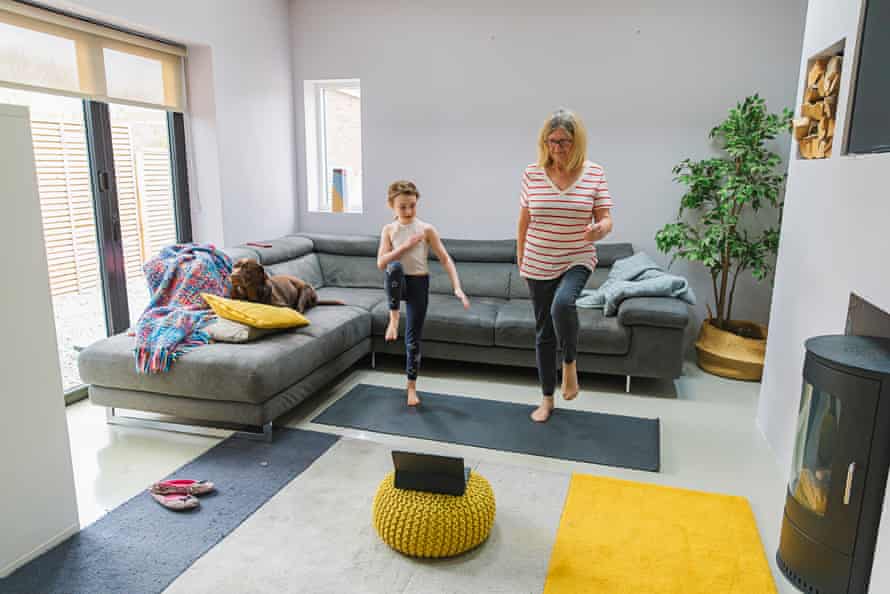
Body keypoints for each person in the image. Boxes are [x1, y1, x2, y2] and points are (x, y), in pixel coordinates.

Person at [517, 109, 614, 422]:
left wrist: (599, 229)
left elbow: (606, 218)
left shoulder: (594, 173)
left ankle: (569, 364)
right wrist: (521, 258)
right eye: (552, 141)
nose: (558, 148)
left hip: (577, 257)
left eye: (565, 142)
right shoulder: (532, 173)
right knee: (544, 332)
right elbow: (524, 221)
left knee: (563, 304)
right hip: (538, 259)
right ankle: (547, 400)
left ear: (578, 143)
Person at [377, 180, 470, 406]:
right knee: (394, 267)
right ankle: (394, 318)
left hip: (419, 284)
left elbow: (446, 259)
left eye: (412, 206)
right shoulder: (389, 230)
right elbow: (381, 263)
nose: (408, 211)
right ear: (392, 206)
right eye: (402, 207)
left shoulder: (426, 229)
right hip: (397, 283)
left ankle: (411, 388)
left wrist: (457, 287)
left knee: (413, 341)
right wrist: (405, 246)